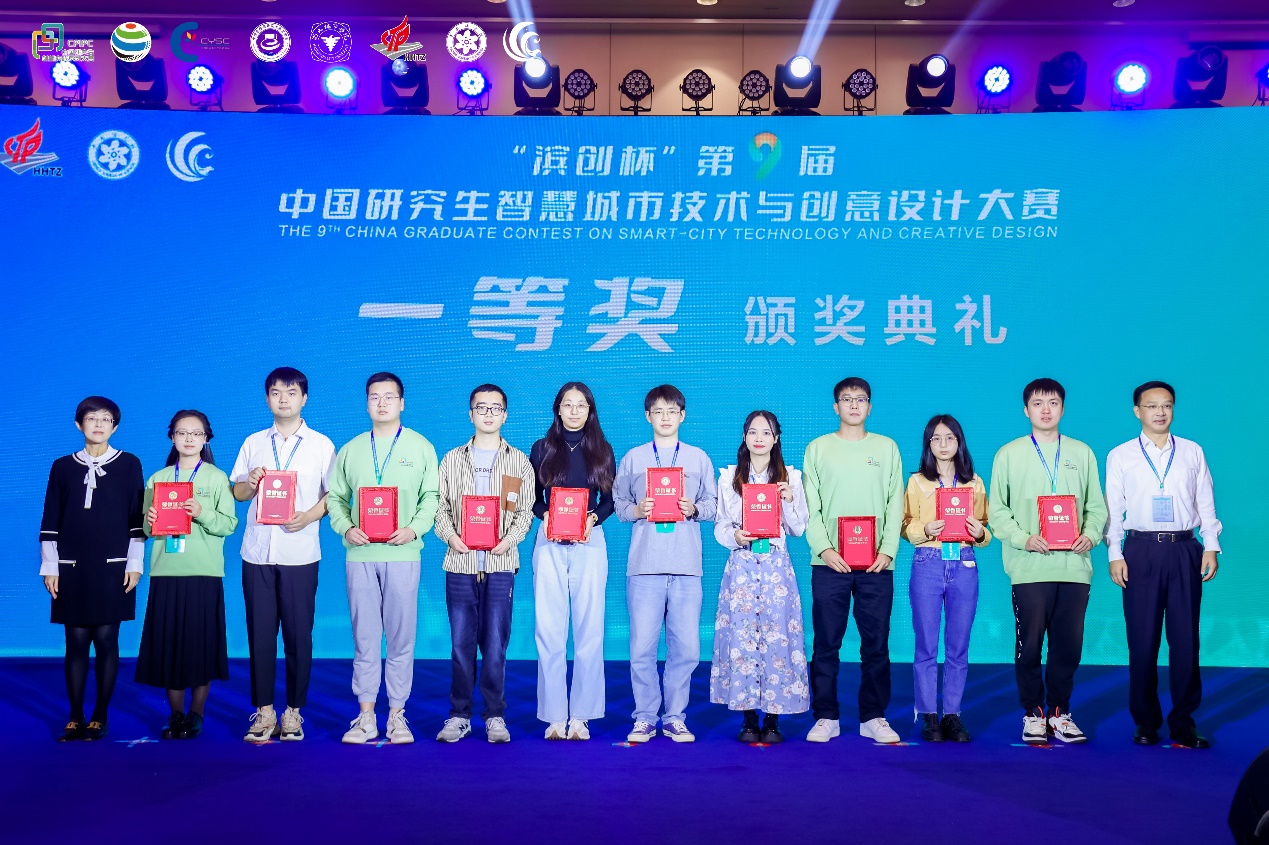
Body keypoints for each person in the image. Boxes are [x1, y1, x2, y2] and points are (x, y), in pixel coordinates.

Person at [989, 378, 1108, 744]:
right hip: (1029, 566)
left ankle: (1059, 713)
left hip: (1074, 566)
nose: (1045, 409)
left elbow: (1096, 506)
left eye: (1053, 402)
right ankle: (1033, 714)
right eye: (1038, 403)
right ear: (1026, 410)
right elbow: (997, 511)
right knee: (1029, 646)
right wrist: (1023, 538)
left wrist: (1091, 533)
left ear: (1063, 408)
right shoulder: (1009, 454)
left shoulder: (1081, 452)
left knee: (1067, 647)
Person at [1105, 381, 1222, 748]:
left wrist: (1211, 545)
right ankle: (1145, 721)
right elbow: (1114, 509)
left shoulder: (1192, 451)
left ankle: (1183, 721)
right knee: (1142, 640)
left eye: (1167, 405)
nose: (1160, 412)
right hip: (1140, 551)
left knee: (1186, 640)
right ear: (1137, 411)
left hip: (1185, 548)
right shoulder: (1121, 455)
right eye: (1152, 405)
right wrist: (1114, 553)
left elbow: (1206, 502)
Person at [328, 372, 439, 745]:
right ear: (366, 403)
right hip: (360, 554)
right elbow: (335, 498)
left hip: (403, 553)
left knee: (401, 638)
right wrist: (346, 528)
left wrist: (414, 529)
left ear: (402, 403)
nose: (382, 403)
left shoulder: (421, 447)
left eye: (389, 397)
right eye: (374, 397)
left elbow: (431, 497)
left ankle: (397, 715)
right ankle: (365, 717)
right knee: (365, 638)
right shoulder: (351, 449)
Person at [230, 367, 336, 742]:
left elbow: (334, 495)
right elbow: (238, 493)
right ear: (267, 399)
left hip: (300, 552)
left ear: (304, 398)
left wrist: (309, 515)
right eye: (276, 393)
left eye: (291, 393)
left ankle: (293, 712)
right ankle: (264, 711)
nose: (284, 399)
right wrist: (250, 483)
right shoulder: (254, 442)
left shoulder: (321, 445)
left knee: (297, 635)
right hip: (257, 552)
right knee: (260, 635)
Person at [431, 384, 537, 743]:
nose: (488, 414)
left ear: (505, 415)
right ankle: (459, 715)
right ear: (470, 414)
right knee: (461, 646)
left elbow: (524, 511)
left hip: (500, 563)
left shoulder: (518, 461)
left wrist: (510, 539)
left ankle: (495, 716)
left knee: (495, 646)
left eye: (495, 408)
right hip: (460, 563)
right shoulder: (451, 459)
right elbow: (439, 507)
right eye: (481, 407)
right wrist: (451, 537)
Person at [803, 377, 904, 744]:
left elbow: (896, 502)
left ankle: (873, 716)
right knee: (826, 644)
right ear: (836, 407)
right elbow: (810, 505)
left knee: (876, 644)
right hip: (829, 564)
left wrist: (887, 550)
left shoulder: (887, 447)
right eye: (846, 399)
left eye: (861, 399)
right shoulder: (818, 448)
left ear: (870, 406)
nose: (854, 405)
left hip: (877, 564)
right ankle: (825, 716)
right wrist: (824, 548)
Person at [614, 385, 717, 743]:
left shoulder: (698, 458)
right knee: (641, 648)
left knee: (686, 649)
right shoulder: (634, 458)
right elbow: (618, 504)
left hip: (686, 566)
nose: (665, 417)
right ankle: (644, 717)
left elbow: (714, 505)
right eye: (658, 411)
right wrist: (636, 510)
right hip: (645, 566)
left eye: (672, 411)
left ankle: (674, 717)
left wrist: (695, 508)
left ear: (682, 416)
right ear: (648, 416)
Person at [40, 396, 145, 741]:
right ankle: (75, 716)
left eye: (105, 419)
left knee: (106, 639)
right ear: (79, 424)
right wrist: (50, 566)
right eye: (91, 418)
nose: (98, 424)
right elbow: (50, 519)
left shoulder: (129, 464)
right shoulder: (62, 466)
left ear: (115, 426)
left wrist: (135, 563)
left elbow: (136, 519)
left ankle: (100, 715)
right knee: (75, 641)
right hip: (71, 566)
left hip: (112, 566)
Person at [135, 410, 238, 740]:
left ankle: (197, 713)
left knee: (200, 647)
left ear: (206, 438)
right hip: (166, 571)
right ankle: (175, 714)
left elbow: (229, 525)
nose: (189, 438)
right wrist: (150, 520)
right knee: (169, 647)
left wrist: (202, 512)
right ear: (172, 437)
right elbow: (144, 530)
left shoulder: (217, 478)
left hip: (204, 572)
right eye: (182, 432)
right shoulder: (158, 478)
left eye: (197, 433)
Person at [710, 410, 809, 743]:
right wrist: (735, 537)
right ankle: (749, 718)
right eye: (753, 432)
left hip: (776, 567)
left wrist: (789, 500)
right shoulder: (729, 478)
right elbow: (720, 525)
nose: (759, 438)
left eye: (766, 432)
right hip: (742, 565)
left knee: (777, 638)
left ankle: (773, 719)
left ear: (776, 438)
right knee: (742, 638)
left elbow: (798, 528)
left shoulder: (790, 477)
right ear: (744, 436)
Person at [529, 382, 616, 741]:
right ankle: (553, 716)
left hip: (590, 542)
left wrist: (592, 518)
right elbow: (533, 499)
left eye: (582, 405)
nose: (575, 411)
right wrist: (545, 514)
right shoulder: (542, 448)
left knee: (589, 629)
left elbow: (609, 501)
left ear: (590, 410)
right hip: (549, 542)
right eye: (568, 404)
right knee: (549, 629)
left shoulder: (602, 449)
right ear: (558, 409)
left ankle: (581, 715)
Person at [900, 414, 991, 743]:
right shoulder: (916, 482)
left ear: (959, 442)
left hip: (964, 562)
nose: (943, 444)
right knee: (926, 644)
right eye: (936, 438)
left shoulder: (974, 482)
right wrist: (924, 529)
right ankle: (928, 714)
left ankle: (952, 714)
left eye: (949, 438)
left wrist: (980, 533)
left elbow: (985, 528)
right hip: (927, 561)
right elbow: (904, 525)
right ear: (928, 443)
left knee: (958, 646)